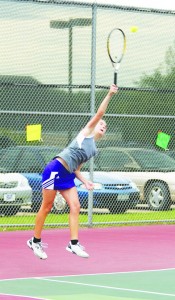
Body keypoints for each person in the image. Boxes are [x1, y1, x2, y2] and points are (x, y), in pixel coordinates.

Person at [27, 84, 118, 260]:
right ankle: (35, 241)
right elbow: (99, 114)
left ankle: (73, 244)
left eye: (105, 126)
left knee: (76, 206)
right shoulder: (85, 134)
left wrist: (85, 181)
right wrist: (109, 94)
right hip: (55, 170)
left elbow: (76, 169)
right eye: (101, 123)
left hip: (68, 175)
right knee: (46, 207)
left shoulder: (93, 150)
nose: (103, 125)